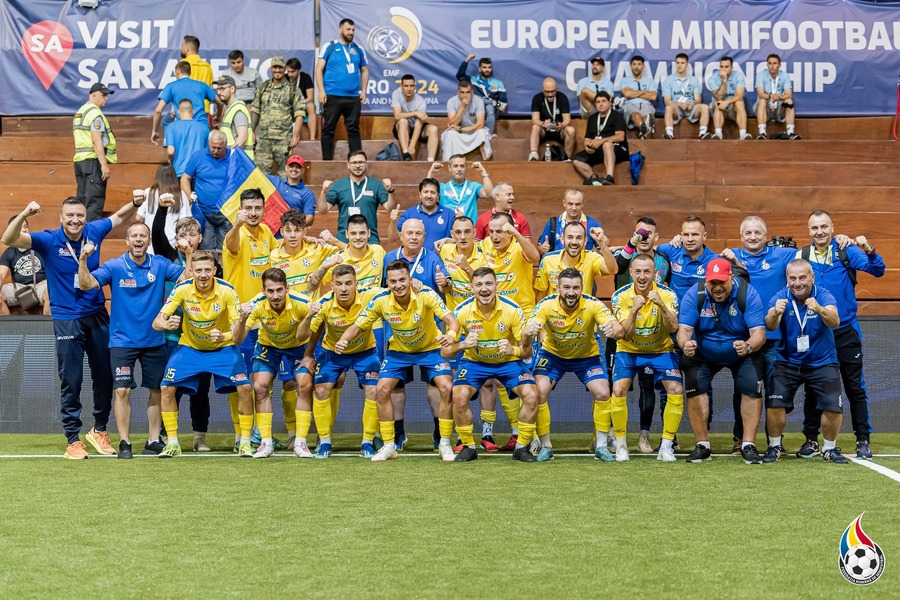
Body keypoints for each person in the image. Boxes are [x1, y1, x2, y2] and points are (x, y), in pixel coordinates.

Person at [1, 194, 143, 459]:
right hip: (67, 318)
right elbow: (8, 239)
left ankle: (99, 430)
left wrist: (135, 204)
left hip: (98, 314)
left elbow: (119, 217)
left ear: (84, 217)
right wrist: (24, 214)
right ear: (61, 217)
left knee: (105, 376)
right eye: (70, 215)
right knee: (72, 380)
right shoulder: (48, 239)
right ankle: (72, 440)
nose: (75, 220)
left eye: (79, 215)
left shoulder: (95, 231)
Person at [76, 223, 186, 459]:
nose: (138, 240)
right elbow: (86, 284)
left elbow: (187, 278)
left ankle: (153, 440)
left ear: (148, 241)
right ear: (126, 240)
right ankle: (124, 441)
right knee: (122, 391)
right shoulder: (115, 266)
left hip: (154, 339)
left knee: (157, 390)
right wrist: (83, 259)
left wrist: (189, 251)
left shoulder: (160, 264)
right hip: (122, 341)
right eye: (134, 236)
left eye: (143, 236)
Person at [335, 260, 459, 462]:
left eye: (403, 279)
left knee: (446, 387)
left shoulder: (426, 294)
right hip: (398, 352)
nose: (399, 285)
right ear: (387, 282)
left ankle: (444, 443)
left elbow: (452, 320)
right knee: (381, 389)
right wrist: (343, 339)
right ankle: (389, 445)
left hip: (430, 349)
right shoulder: (381, 300)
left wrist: (452, 335)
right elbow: (357, 326)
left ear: (410, 279)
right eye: (393, 281)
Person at [797, 210, 885, 459]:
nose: (819, 232)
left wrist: (868, 248)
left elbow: (878, 270)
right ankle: (811, 440)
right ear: (809, 231)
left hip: (845, 330)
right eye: (814, 228)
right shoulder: (802, 255)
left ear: (832, 228)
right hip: (815, 331)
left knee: (854, 386)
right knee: (814, 387)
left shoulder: (846, 251)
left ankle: (862, 440)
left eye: (824, 226)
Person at [152, 250, 254, 458]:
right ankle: (172, 443)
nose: (203, 274)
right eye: (198, 270)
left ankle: (244, 442)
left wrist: (226, 334)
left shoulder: (227, 291)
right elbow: (156, 322)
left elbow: (239, 337)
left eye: (208, 270)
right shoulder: (182, 289)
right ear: (191, 271)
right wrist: (166, 323)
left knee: (244, 387)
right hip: (190, 348)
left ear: (215, 270)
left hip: (222, 348)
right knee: (166, 387)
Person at [523, 268, 624, 461]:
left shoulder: (593, 304)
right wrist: (529, 331)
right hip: (553, 355)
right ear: (558, 288)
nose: (571, 292)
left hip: (586, 356)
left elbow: (618, 329)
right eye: (566, 287)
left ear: (582, 288)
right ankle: (546, 446)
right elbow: (527, 334)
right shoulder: (545, 305)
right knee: (539, 392)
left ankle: (601, 446)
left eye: (575, 288)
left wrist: (614, 330)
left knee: (603, 392)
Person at [443, 267, 540, 462]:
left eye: (488, 283)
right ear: (472, 287)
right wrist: (462, 344)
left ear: (497, 285)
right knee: (458, 396)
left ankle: (521, 447)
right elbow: (445, 352)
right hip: (474, 362)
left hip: (508, 363)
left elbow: (527, 351)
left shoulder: (512, 310)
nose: (484, 289)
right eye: (479, 284)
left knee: (532, 394)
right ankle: (469, 447)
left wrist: (513, 349)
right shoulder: (461, 312)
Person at [677, 258, 767, 464]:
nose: (717, 287)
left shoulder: (747, 294)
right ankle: (702, 445)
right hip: (704, 352)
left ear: (731, 279)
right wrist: (685, 345)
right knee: (695, 384)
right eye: (712, 283)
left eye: (721, 282)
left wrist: (749, 346)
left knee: (751, 387)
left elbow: (759, 333)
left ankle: (748, 444)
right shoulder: (695, 294)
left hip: (742, 351)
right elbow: (683, 330)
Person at [719, 216, 796, 454]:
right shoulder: (729, 255)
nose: (752, 237)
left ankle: (776, 442)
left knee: (775, 391)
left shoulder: (783, 256)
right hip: (745, 338)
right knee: (744, 390)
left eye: (757, 233)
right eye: (748, 233)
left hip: (774, 339)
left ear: (766, 235)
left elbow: (811, 256)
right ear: (741, 236)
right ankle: (740, 438)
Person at [763, 259, 849, 464]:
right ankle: (775, 446)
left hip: (822, 361)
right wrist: (775, 312)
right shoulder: (780, 297)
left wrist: (819, 309)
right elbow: (770, 325)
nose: (797, 283)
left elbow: (835, 321)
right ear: (787, 280)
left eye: (802, 278)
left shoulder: (824, 295)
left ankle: (829, 448)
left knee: (832, 406)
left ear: (812, 277)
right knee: (774, 404)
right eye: (792, 278)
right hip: (788, 361)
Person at [301, 264, 383, 457]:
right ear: (332, 286)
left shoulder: (370, 296)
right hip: (333, 354)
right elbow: (309, 333)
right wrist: (308, 354)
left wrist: (414, 283)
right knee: (321, 389)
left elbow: (394, 291)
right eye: (338, 284)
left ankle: (367, 441)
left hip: (366, 351)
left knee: (373, 390)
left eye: (348, 283)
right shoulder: (324, 303)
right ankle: (325, 441)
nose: (344, 288)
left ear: (356, 284)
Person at [233, 267, 314, 458]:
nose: (275, 295)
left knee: (304, 384)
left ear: (287, 287)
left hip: (298, 347)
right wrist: (242, 319)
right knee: (260, 387)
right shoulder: (256, 305)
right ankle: (265, 443)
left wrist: (309, 355)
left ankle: (300, 443)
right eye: (270, 291)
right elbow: (238, 339)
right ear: (263, 291)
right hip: (268, 346)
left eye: (279, 290)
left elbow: (313, 333)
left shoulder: (303, 303)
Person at [610, 254, 684, 462]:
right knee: (618, 389)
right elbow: (625, 333)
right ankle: (622, 445)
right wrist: (634, 309)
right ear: (631, 273)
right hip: (629, 349)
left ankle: (666, 446)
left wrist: (660, 304)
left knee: (676, 389)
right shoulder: (620, 296)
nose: (642, 276)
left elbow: (674, 327)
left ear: (655, 273)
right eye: (638, 271)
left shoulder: (667, 294)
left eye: (647, 271)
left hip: (661, 349)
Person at [610, 218, 672, 452]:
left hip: (653, 331)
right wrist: (628, 244)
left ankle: (644, 436)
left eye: (649, 234)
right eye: (640, 234)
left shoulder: (663, 260)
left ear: (657, 237)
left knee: (648, 386)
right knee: (615, 386)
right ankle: (612, 436)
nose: (644, 238)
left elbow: (668, 287)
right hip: (623, 326)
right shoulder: (623, 256)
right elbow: (614, 267)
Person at [222, 188, 278, 447]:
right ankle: (240, 434)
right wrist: (236, 223)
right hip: (240, 320)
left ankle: (260, 432)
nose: (254, 213)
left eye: (258, 208)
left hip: (265, 319)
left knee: (262, 380)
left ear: (264, 209)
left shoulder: (267, 233)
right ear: (240, 209)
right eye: (249, 208)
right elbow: (231, 245)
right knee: (241, 379)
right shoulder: (236, 234)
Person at [317, 150, 396, 244]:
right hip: (344, 239)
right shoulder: (338, 185)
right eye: (354, 162)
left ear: (366, 164)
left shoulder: (376, 185)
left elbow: (390, 208)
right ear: (348, 165)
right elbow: (322, 210)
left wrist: (390, 191)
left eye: (361, 162)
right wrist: (323, 192)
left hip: (370, 239)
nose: (358, 166)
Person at [317, 18, 368, 161]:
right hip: (332, 95)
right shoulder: (330, 46)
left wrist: (363, 90)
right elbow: (318, 69)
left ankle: (357, 160)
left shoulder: (358, 49)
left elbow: (364, 70)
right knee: (328, 128)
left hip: (353, 97)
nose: (351, 32)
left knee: (353, 129)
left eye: (353, 30)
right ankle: (327, 161)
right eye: (348, 29)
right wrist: (321, 91)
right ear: (340, 30)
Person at [479, 212, 540, 318]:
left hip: (522, 312)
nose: (494, 236)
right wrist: (448, 240)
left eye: (499, 232)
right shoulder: (487, 243)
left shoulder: (519, 247)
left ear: (510, 232)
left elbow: (535, 258)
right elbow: (469, 246)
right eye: (491, 231)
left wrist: (517, 233)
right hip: (498, 313)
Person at [251, 56, 305, 176]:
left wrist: (296, 135)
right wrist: (252, 131)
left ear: (284, 68)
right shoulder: (263, 87)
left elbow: (299, 113)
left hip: (284, 139)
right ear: (271, 69)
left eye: (280, 67)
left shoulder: (293, 90)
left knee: (285, 175)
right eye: (275, 67)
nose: (277, 70)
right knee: (261, 175)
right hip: (264, 139)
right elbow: (255, 110)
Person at [535, 222, 613, 303]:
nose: (574, 242)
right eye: (570, 237)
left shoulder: (592, 258)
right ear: (562, 239)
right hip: (554, 313)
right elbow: (541, 295)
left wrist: (603, 245)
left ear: (585, 241)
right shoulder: (548, 260)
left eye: (579, 238)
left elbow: (612, 270)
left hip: (583, 313)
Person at [181, 130, 232, 253]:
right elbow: (185, 178)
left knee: (226, 250)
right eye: (212, 147)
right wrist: (189, 197)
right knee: (205, 249)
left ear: (225, 145)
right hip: (204, 213)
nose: (215, 151)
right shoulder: (198, 156)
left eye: (219, 148)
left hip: (227, 212)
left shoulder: (234, 157)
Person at [270, 210, 338, 300]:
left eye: (297, 230)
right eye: (288, 231)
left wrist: (335, 241)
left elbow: (350, 251)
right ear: (282, 232)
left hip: (311, 312)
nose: (293, 235)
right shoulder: (272, 256)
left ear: (304, 232)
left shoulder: (317, 249)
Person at [309, 214, 386, 293]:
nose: (358, 237)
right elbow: (311, 286)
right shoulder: (337, 259)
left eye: (362, 233)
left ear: (368, 233)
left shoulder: (378, 251)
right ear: (346, 234)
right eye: (353, 233)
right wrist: (325, 267)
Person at [72, 83, 116, 221]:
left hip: (80, 162)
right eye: (103, 95)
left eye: (107, 95)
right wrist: (104, 165)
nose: (106, 98)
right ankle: (90, 239)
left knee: (82, 202)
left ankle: (78, 238)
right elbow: (96, 140)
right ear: (93, 95)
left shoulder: (80, 112)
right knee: (93, 203)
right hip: (92, 162)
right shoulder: (95, 113)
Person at [136, 164, 193, 260]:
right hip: (172, 244)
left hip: (150, 243)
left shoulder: (148, 192)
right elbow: (185, 222)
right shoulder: (180, 194)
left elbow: (138, 218)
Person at [150, 61, 217, 143]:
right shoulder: (202, 85)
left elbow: (158, 110)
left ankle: (169, 141)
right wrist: (219, 116)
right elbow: (219, 101)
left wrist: (154, 130)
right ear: (190, 72)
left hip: (182, 128)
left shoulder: (171, 86)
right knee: (202, 154)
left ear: (177, 72)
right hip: (202, 127)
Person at [655, 216, 718, 303]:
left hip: (700, 314)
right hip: (675, 313)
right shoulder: (673, 249)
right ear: (681, 236)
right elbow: (648, 249)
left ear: (704, 236)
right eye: (686, 235)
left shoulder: (713, 260)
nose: (690, 239)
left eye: (695, 234)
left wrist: (734, 261)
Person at [572, 91, 628, 186]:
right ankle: (594, 178)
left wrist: (600, 141)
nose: (601, 104)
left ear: (609, 103)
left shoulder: (617, 117)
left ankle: (610, 177)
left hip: (617, 149)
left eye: (603, 101)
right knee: (577, 161)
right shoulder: (592, 118)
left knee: (607, 144)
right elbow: (587, 138)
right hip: (597, 150)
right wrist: (587, 147)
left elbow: (620, 136)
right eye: (598, 102)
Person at [0, 217, 49, 316]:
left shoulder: (38, 247)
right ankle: (6, 330)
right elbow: (1, 274)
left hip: (40, 286)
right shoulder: (9, 251)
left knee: (51, 293)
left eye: (25, 226)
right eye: (19, 227)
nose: (23, 230)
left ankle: (48, 330)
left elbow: (53, 269)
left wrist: (47, 281)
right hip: (17, 288)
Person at [387, 178, 455, 248]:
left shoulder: (449, 214)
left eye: (433, 192)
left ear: (438, 195)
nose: (429, 196)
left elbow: (459, 240)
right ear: (420, 194)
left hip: (442, 258)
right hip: (416, 258)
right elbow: (392, 239)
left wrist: (447, 240)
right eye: (425, 192)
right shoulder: (409, 214)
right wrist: (393, 222)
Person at [426, 156, 493, 224]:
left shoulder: (474, 186)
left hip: (469, 230)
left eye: (462, 166)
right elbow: (427, 190)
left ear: (466, 168)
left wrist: (483, 172)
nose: (459, 169)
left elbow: (489, 194)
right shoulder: (442, 188)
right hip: (447, 230)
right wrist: (431, 172)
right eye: (455, 166)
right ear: (449, 168)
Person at [537, 188, 603, 254]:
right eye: (570, 204)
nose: (574, 208)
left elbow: (602, 248)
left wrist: (606, 244)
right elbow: (539, 248)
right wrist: (542, 248)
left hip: (585, 264)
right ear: (564, 203)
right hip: (557, 264)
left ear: (583, 204)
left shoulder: (592, 223)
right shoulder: (553, 223)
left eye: (577, 204)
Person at [661, 53, 710, 140]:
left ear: (687, 64)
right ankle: (669, 134)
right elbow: (667, 101)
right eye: (678, 63)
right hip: (677, 108)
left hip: (691, 108)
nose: (679, 65)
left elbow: (698, 99)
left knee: (705, 107)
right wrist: (679, 104)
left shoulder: (693, 80)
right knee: (668, 108)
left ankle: (703, 133)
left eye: (682, 63)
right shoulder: (668, 80)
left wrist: (693, 103)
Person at [440, 80, 492, 161]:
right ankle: (448, 161)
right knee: (449, 135)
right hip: (458, 133)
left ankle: (486, 160)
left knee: (482, 133)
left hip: (474, 130)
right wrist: (462, 108)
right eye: (462, 92)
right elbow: (452, 124)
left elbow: (480, 124)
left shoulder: (478, 101)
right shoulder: (451, 101)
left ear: (472, 92)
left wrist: (462, 129)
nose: (465, 95)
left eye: (468, 92)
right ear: (458, 92)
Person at [456, 54, 507, 136]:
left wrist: (493, 103)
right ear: (479, 69)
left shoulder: (498, 83)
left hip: (492, 112)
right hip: (475, 110)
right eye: (484, 67)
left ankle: (488, 135)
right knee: (479, 100)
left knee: (489, 107)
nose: (487, 70)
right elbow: (460, 76)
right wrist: (466, 61)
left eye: (489, 67)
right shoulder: (473, 80)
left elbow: (503, 106)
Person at [391, 74, 439, 161]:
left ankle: (430, 161)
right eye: (406, 86)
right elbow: (397, 115)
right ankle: (405, 153)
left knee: (434, 129)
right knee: (403, 121)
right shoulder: (396, 94)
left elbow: (418, 125)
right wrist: (415, 113)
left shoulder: (421, 101)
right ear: (401, 86)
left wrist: (412, 145)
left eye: (411, 86)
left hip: (417, 128)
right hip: (402, 128)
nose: (409, 89)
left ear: (415, 87)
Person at [529, 77, 575, 161]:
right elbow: (535, 120)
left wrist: (561, 125)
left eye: (552, 91)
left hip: (559, 130)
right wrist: (543, 124)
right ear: (543, 89)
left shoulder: (562, 97)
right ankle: (533, 154)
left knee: (571, 130)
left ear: (556, 89)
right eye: (547, 92)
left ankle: (567, 158)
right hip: (544, 130)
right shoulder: (537, 98)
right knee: (535, 127)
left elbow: (567, 119)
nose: (550, 94)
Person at [755, 54, 799, 140]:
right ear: (767, 64)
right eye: (770, 63)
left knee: (789, 101)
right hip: (766, 108)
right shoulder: (761, 75)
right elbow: (760, 94)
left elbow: (788, 94)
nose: (772, 66)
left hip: (779, 109)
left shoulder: (784, 76)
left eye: (775, 63)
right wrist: (771, 96)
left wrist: (778, 97)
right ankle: (762, 133)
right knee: (762, 100)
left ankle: (790, 133)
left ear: (779, 65)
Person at [707, 56, 751, 140]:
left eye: (726, 67)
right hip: (719, 106)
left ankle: (743, 134)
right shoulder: (713, 78)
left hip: (732, 106)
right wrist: (724, 81)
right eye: (721, 66)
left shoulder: (738, 75)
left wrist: (727, 102)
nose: (723, 69)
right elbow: (718, 97)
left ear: (732, 67)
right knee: (718, 104)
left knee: (740, 102)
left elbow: (739, 95)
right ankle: (718, 134)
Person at [163, 100, 209, 178]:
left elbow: (170, 152)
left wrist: (170, 163)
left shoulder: (171, 127)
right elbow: (207, 152)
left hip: (178, 172)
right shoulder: (204, 128)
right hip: (198, 173)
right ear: (193, 112)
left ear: (178, 112)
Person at [267, 155, 316, 226]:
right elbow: (255, 175)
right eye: (291, 166)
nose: (294, 169)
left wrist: (293, 227)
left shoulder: (308, 194)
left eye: (298, 167)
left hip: (292, 233)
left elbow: (309, 218)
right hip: (272, 230)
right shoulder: (275, 181)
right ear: (286, 168)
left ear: (303, 170)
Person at [215, 75, 255, 159]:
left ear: (232, 89)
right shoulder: (231, 108)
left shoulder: (238, 109)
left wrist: (233, 159)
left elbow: (243, 137)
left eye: (222, 88)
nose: (219, 92)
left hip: (240, 163)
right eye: (218, 89)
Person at [618, 55, 658, 139]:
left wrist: (633, 92)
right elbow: (627, 94)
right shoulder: (625, 80)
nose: (636, 67)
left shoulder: (649, 81)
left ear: (643, 66)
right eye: (634, 64)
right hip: (631, 105)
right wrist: (645, 91)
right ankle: (645, 128)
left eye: (639, 64)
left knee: (647, 117)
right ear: (631, 66)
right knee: (636, 116)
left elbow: (653, 96)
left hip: (646, 105)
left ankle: (643, 130)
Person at [285, 57, 317, 141]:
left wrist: (299, 102)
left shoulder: (306, 77)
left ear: (298, 70)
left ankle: (312, 138)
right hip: (287, 105)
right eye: (288, 71)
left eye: (292, 72)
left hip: (301, 103)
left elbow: (310, 98)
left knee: (311, 106)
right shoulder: (284, 78)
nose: (290, 74)